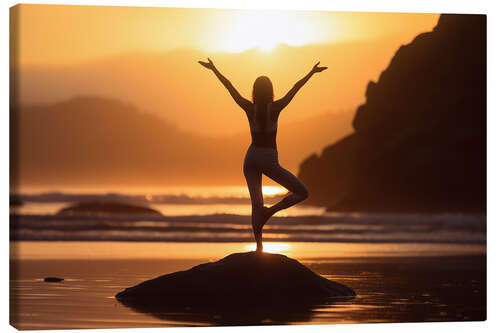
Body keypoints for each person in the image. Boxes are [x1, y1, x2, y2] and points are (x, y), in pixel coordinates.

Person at [198, 58, 327, 252]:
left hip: (250, 157)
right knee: (302, 192)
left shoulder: (249, 108)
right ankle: (270, 212)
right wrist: (311, 72)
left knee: (255, 204)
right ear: (270, 91)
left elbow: (230, 87)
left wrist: (214, 69)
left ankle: (259, 246)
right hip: (268, 158)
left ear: (255, 91)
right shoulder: (276, 108)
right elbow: (295, 88)